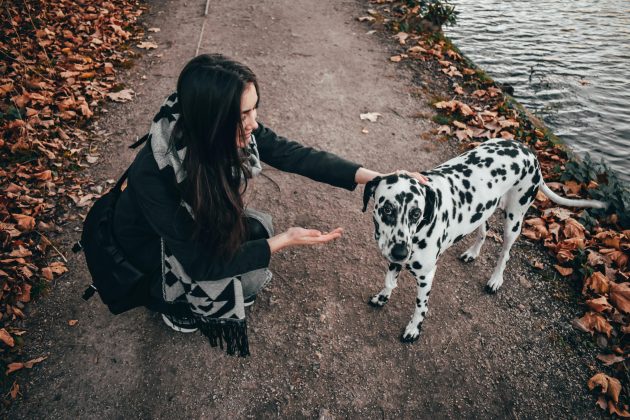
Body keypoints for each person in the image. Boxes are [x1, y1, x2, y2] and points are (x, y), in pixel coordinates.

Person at [112, 54, 426, 355]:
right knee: (251, 277)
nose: (254, 124)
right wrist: (284, 241)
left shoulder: (212, 129)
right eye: (243, 116)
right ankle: (175, 306)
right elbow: (200, 262)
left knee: (258, 228)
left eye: (254, 110)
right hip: (152, 255)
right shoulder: (154, 174)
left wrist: (379, 178)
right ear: (212, 118)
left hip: (189, 229)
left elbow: (293, 154)